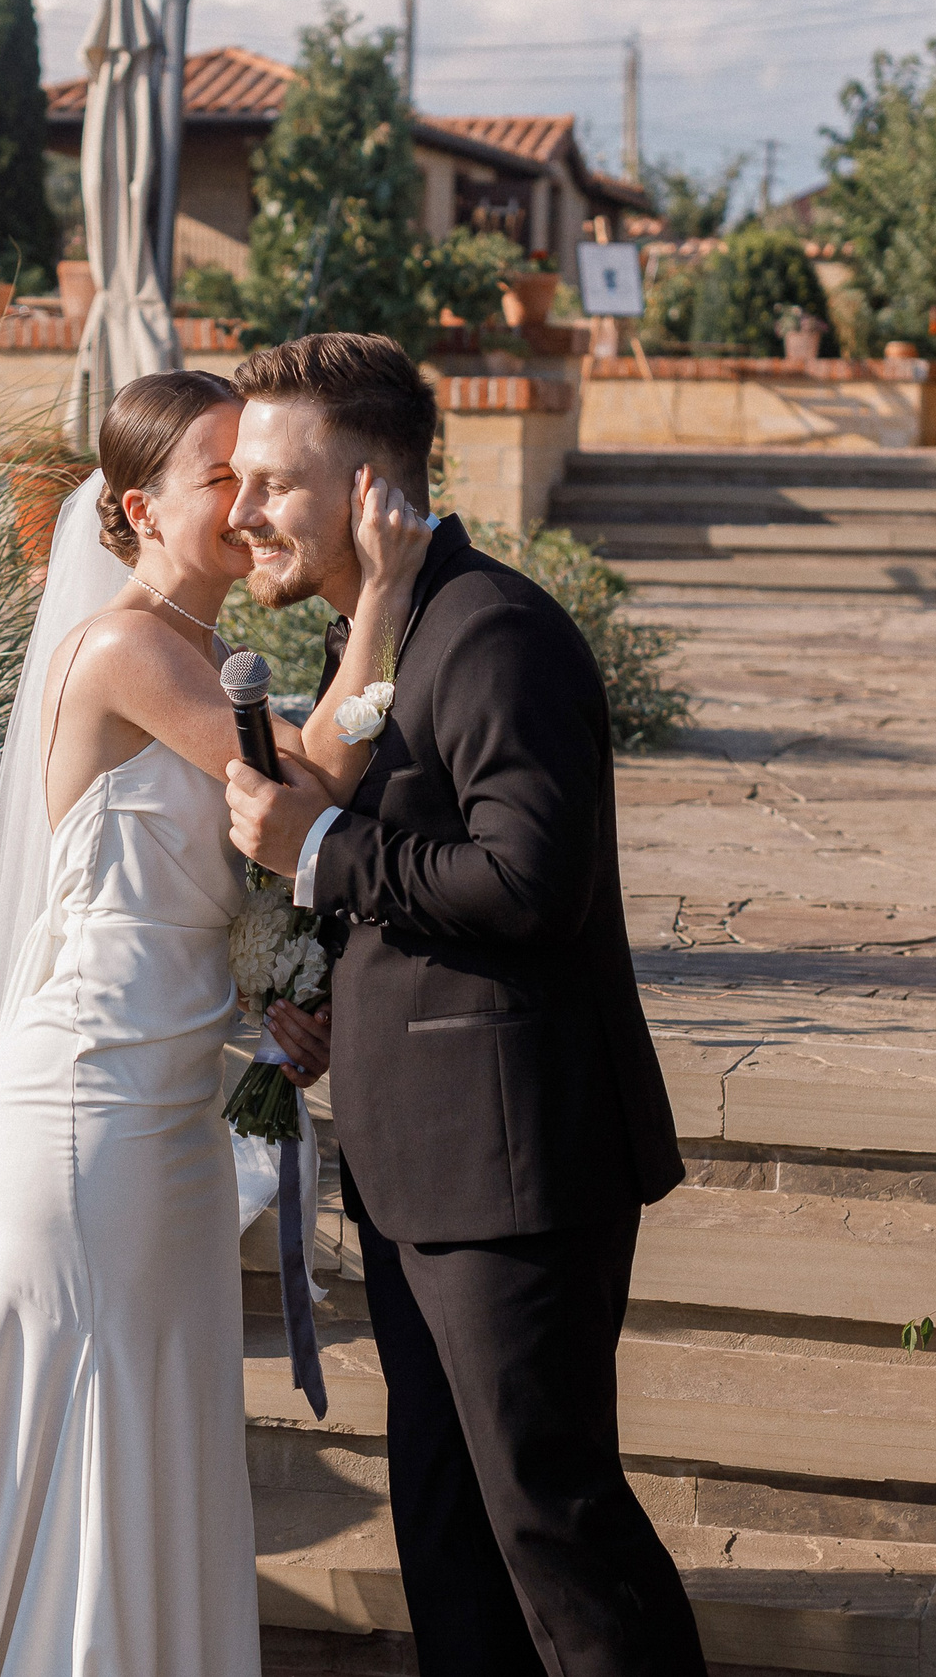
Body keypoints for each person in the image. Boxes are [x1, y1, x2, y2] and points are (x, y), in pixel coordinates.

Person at [0, 367, 431, 1677]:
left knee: (155, 1413)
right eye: (225, 477)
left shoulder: (206, 656)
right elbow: (308, 779)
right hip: (92, 1099)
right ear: (138, 507)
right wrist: (380, 593)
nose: (252, 502)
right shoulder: (129, 647)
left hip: (169, 1104)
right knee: (88, 1409)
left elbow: (211, 871)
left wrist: (271, 990)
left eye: (262, 478)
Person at [222, 333, 707, 1677]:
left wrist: (314, 855)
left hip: (514, 1164)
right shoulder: (382, 632)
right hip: (415, 1160)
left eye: (272, 481)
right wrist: (311, 970)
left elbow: (529, 881)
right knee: (450, 1528)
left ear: (368, 482)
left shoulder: (494, 632)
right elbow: (381, 835)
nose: (243, 509)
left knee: (553, 1526)